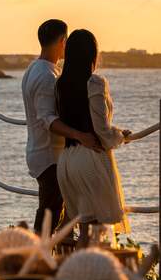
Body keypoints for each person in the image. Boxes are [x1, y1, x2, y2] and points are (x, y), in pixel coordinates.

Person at [21, 20, 101, 234]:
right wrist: (80, 135)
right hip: (49, 156)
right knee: (49, 215)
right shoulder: (47, 76)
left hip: (40, 151)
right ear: (62, 41)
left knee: (58, 213)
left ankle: (50, 257)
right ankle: (38, 259)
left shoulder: (34, 68)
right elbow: (48, 119)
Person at [55, 29, 132, 242]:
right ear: (92, 54)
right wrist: (120, 136)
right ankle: (82, 273)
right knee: (93, 235)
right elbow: (101, 130)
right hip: (90, 159)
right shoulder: (95, 82)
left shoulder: (61, 84)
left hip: (67, 159)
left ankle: (67, 270)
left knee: (84, 230)